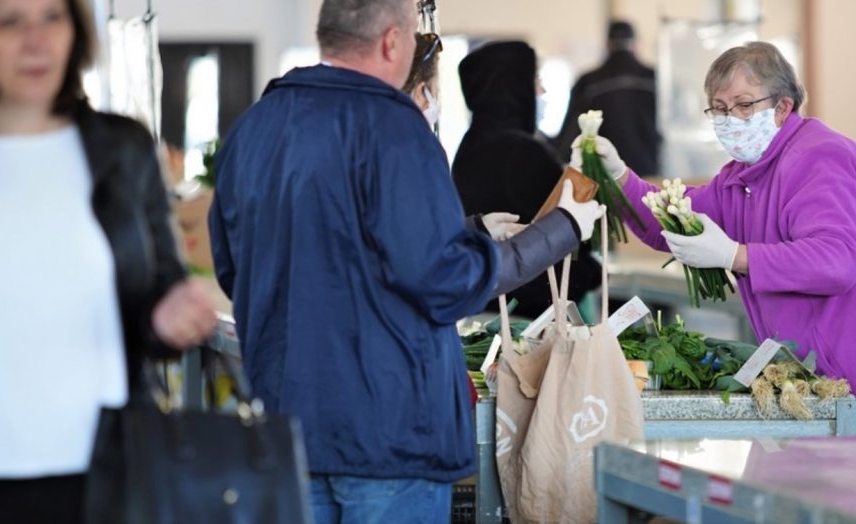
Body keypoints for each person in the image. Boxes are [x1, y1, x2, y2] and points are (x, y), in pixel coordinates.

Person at [208, 0, 603, 521]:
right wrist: (563, 229)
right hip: (387, 431)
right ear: (393, 42)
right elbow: (446, 280)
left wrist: (470, 232)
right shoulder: (394, 129)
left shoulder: (254, 128)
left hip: (287, 422)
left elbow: (239, 266)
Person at [573, 41, 856, 434]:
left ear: (783, 107)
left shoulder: (820, 157)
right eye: (719, 108)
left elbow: (834, 261)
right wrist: (618, 177)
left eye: (744, 104)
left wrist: (735, 254)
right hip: (833, 390)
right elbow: (673, 219)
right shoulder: (742, 176)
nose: (730, 118)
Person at [0, 0, 217, 521]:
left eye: (52, 18)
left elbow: (160, 289)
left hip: (105, 471)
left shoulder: (121, 148)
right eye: (9, 22)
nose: (36, 40)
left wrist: (169, 317)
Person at [453, 40, 602, 320]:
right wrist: (591, 272)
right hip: (533, 316)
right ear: (512, 86)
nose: (542, 90)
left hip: (487, 307)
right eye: (535, 79)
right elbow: (566, 230)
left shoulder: (470, 145)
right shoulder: (522, 151)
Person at [404, 31, 524, 243]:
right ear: (421, 92)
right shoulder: (414, 154)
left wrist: (476, 228)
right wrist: (565, 225)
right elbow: (427, 247)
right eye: (436, 91)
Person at [554, 20, 660, 176]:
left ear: (607, 44)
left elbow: (570, 134)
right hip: (652, 173)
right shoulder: (656, 79)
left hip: (606, 178)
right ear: (637, 44)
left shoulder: (589, 82)